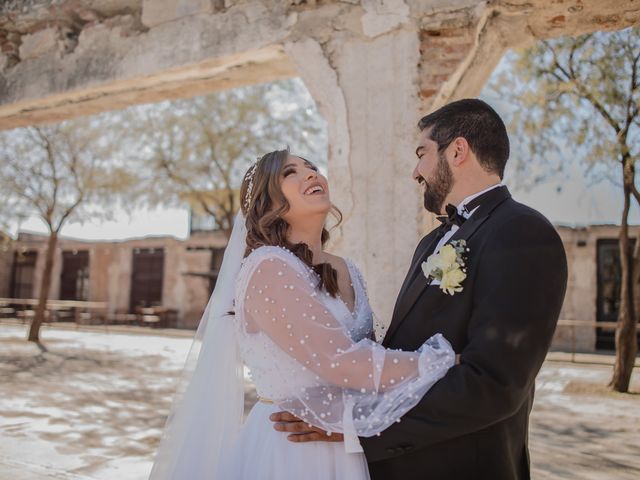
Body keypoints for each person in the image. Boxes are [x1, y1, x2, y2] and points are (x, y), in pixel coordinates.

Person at [270, 99, 568, 479]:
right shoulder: (431, 244)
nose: (416, 172)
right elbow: (400, 347)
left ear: (457, 151)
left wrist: (359, 429)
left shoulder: (523, 232)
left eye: (422, 153)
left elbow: (494, 383)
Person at [148, 149, 456, 480]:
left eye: (311, 167)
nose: (310, 174)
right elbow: (340, 361)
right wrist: (443, 362)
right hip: (293, 450)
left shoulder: (347, 269)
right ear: (269, 203)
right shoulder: (269, 267)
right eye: (289, 173)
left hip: (346, 441)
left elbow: (372, 357)